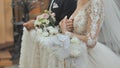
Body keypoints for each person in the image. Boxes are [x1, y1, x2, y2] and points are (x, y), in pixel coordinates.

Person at [20, 0, 120, 68]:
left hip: (87, 56)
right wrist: (64, 24)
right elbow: (74, 26)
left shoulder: (96, 3)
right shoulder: (80, 0)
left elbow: (91, 41)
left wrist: (67, 33)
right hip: (72, 50)